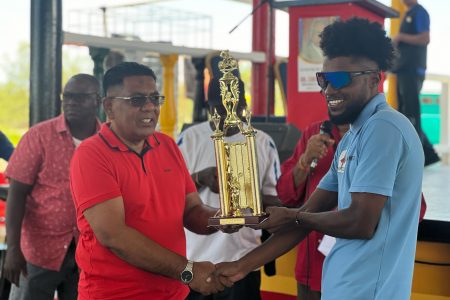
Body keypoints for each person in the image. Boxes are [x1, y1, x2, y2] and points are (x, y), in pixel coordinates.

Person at [216, 18, 424, 300]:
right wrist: (241, 267)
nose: (328, 90)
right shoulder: (352, 137)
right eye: (323, 80)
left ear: (374, 79)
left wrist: (293, 216)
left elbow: (360, 222)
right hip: (342, 288)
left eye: (340, 79)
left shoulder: (384, 127)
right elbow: (306, 216)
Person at [69, 62, 225, 300]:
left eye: (155, 98)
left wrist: (225, 218)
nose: (150, 107)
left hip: (172, 293)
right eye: (136, 100)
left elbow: (192, 210)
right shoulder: (91, 154)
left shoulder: (168, 146)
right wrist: (188, 271)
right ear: (109, 107)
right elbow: (114, 235)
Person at [277, 119, 427, 300]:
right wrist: (305, 159)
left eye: (342, 88)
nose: (332, 94)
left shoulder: (378, 137)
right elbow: (285, 194)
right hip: (312, 267)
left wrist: (365, 216)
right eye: (325, 90)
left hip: (360, 273)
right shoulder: (314, 133)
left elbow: (414, 208)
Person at [177, 77, 281, 300]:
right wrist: (200, 178)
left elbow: (273, 201)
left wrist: (249, 193)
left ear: (244, 104)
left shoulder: (262, 142)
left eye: (235, 106)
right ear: (208, 106)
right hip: (196, 261)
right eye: (219, 108)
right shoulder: (188, 140)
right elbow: (170, 194)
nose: (228, 114)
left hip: (243, 261)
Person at [4, 74, 101, 300]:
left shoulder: (107, 139)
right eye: (66, 96)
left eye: (80, 97)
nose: (71, 102)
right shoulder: (39, 136)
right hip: (38, 251)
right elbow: (16, 195)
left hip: (88, 253)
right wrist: (13, 250)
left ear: (97, 100)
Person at [392, 0, 440, 166]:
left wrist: (400, 37)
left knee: (411, 113)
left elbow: (425, 37)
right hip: (403, 69)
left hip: (412, 70)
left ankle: (417, 156)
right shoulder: (408, 13)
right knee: (405, 112)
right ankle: (429, 154)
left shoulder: (420, 12)